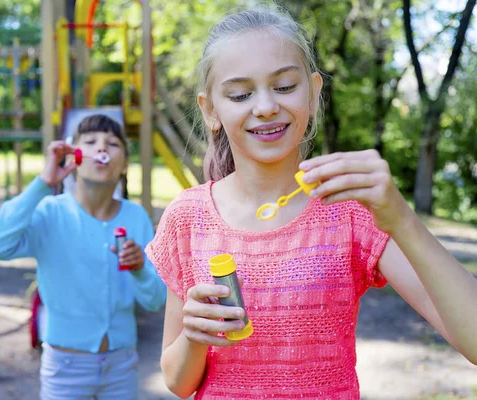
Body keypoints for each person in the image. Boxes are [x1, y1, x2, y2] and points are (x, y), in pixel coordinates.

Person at [145, 6, 477, 399]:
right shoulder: (188, 218)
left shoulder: (351, 210)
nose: (265, 105)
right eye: (240, 93)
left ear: (314, 92)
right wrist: (195, 336)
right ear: (211, 109)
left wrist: (400, 219)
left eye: (285, 86)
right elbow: (177, 383)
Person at [0, 114, 166, 400]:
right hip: (65, 367)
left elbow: (154, 300)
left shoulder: (136, 217)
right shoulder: (50, 212)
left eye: (113, 143)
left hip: (122, 366)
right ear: (75, 157)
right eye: (90, 142)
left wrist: (140, 268)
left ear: (124, 163)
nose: (102, 148)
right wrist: (44, 182)